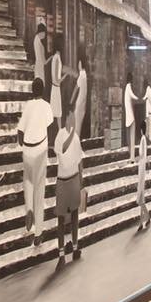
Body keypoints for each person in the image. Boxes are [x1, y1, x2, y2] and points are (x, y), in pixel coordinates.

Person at [18, 78, 54, 246]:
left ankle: (29, 209)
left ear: (32, 91)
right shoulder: (46, 106)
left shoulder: (28, 106)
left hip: (27, 149)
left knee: (28, 182)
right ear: (43, 90)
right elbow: (50, 127)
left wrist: (24, 144)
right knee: (39, 190)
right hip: (40, 148)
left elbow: (20, 132)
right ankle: (38, 233)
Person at [54, 110, 84, 261]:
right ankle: (61, 254)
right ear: (66, 119)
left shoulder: (76, 137)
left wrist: (81, 179)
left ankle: (75, 247)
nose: (73, 120)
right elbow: (63, 149)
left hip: (74, 178)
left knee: (74, 215)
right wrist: (72, 133)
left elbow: (79, 159)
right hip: (62, 180)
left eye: (74, 117)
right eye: (71, 117)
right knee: (61, 218)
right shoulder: (60, 135)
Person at [137, 120, 150, 231]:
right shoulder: (144, 139)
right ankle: (144, 220)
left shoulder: (142, 139)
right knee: (141, 198)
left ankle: (143, 221)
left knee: (140, 198)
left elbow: (141, 154)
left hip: (141, 168)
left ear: (141, 130)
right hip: (142, 167)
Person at [123, 72, 140, 163]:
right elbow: (133, 96)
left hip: (127, 117)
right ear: (131, 80)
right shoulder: (129, 87)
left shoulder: (126, 89)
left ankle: (131, 156)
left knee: (129, 139)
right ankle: (132, 157)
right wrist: (139, 98)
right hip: (131, 118)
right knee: (132, 138)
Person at [70, 58, 87, 137]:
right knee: (78, 124)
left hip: (79, 103)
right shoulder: (85, 75)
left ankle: (76, 141)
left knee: (77, 125)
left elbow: (75, 90)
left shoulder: (81, 75)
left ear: (80, 64)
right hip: (83, 104)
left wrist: (70, 102)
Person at [32, 23, 47, 96]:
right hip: (40, 66)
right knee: (41, 85)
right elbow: (44, 61)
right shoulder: (40, 43)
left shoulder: (36, 39)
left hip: (37, 64)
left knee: (37, 85)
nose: (45, 35)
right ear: (41, 32)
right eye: (44, 33)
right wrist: (51, 58)